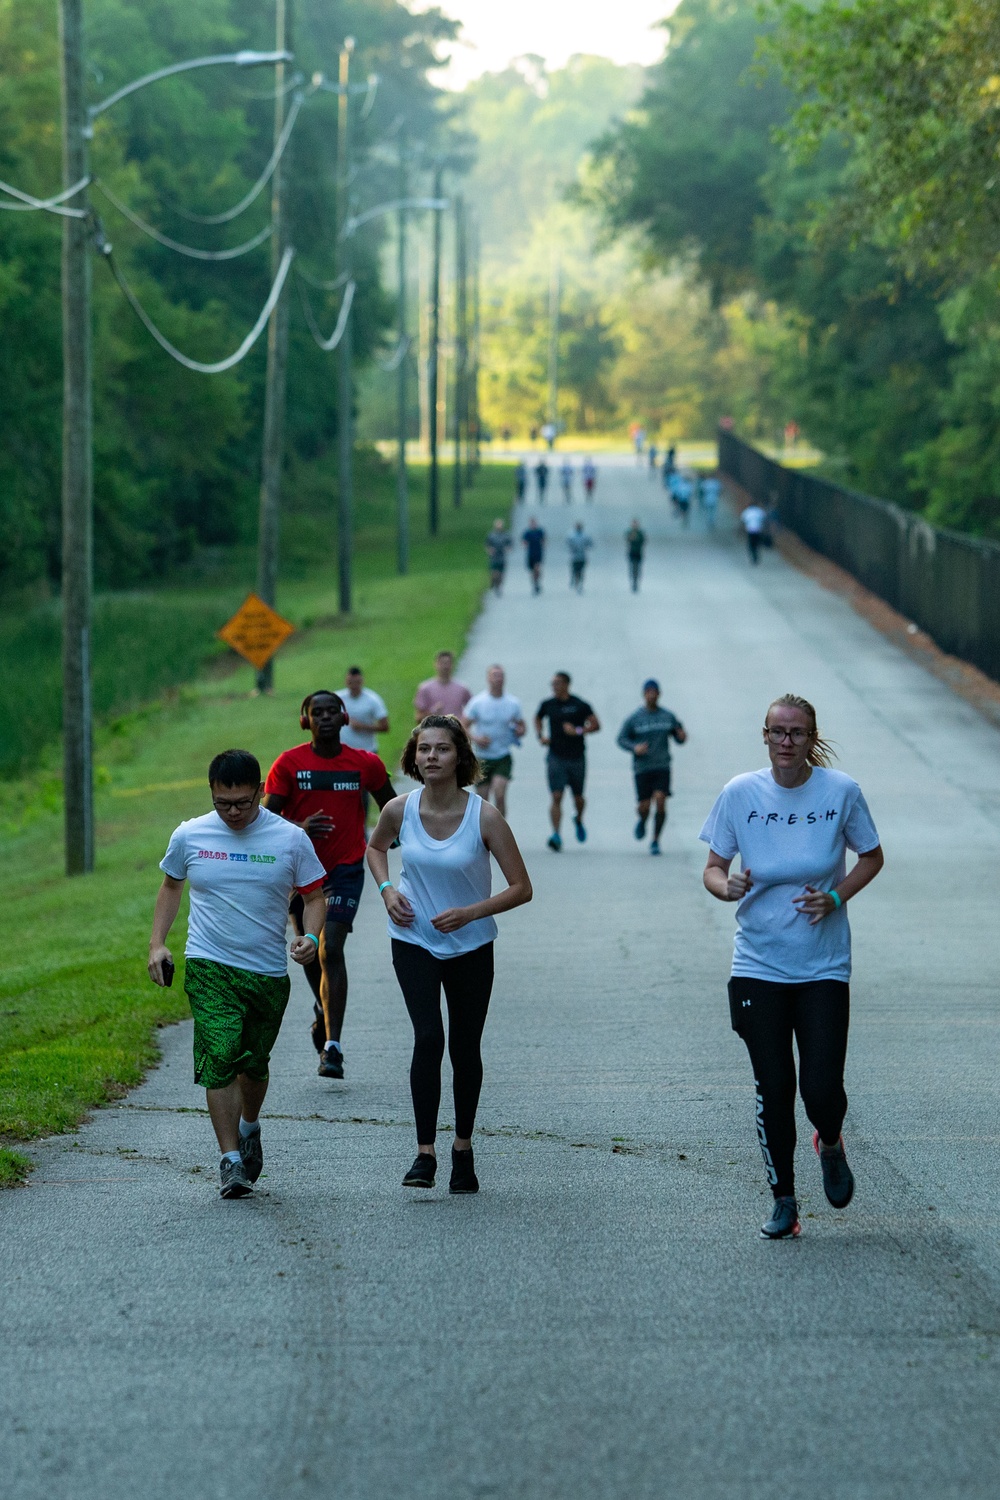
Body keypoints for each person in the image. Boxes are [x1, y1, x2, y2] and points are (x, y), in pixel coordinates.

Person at [700, 693, 884, 1241]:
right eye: (778, 732)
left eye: (797, 733)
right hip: (758, 964)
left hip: (823, 965)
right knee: (774, 1085)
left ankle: (829, 1138)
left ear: (811, 738)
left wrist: (837, 896)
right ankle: (784, 1200)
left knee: (821, 1089)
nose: (787, 742)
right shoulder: (739, 793)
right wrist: (725, 886)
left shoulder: (841, 792)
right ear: (764, 735)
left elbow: (871, 856)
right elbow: (713, 868)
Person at [148, 749, 326, 1199]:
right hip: (210, 964)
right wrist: (157, 943)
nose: (233, 812)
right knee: (221, 1055)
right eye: (224, 803)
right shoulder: (190, 834)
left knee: (254, 1062)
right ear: (211, 793)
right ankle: (229, 1160)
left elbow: (314, 896)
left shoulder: (289, 839)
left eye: (243, 803)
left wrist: (313, 937)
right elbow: (171, 886)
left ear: (260, 792)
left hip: (266, 970)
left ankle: (249, 1126)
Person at [366, 716, 532, 1192]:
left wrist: (471, 912)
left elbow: (522, 888)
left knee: (464, 1045)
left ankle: (463, 1147)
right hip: (413, 939)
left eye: (441, 749)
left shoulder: (485, 817)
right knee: (428, 1037)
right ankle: (424, 1155)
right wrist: (386, 890)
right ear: (413, 758)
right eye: (423, 750)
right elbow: (375, 850)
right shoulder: (400, 810)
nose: (431, 757)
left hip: (471, 945)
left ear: (460, 757)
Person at [263, 691, 395, 1080]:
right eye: (315, 713)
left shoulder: (364, 764)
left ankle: (332, 1047)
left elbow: (394, 809)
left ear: (345, 717)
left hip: (345, 868)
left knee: (330, 945)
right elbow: (264, 822)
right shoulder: (289, 764)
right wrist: (298, 829)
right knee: (309, 950)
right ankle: (324, 1007)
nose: (324, 717)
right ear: (305, 721)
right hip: (299, 874)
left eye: (330, 711)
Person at [616, 680, 686, 854]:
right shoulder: (634, 718)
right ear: (644, 694)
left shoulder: (667, 716)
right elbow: (621, 739)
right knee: (645, 805)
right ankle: (642, 819)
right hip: (642, 768)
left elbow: (679, 736)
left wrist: (681, 736)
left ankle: (655, 839)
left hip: (662, 766)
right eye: (648, 692)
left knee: (661, 801)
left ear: (659, 694)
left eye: (654, 692)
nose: (651, 695)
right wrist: (634, 748)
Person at [534, 671, 600, 850]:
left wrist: (578, 731)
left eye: (557, 684)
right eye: (552, 684)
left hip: (577, 757)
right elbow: (538, 717)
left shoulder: (579, 705)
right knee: (556, 795)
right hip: (556, 756)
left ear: (566, 685)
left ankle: (578, 818)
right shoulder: (548, 704)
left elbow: (596, 724)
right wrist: (541, 736)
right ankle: (556, 834)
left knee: (578, 797)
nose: (554, 687)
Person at [464, 664, 525, 817]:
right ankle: (483, 833)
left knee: (499, 793)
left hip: (502, 755)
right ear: (488, 678)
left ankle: (501, 831)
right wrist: (476, 738)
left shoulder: (512, 703)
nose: (498, 679)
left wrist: (520, 731)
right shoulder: (478, 702)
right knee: (483, 799)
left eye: (500, 676)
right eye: (495, 675)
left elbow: (521, 725)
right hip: (483, 757)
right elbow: (463, 725)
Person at [339, 665, 389, 754]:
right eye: (350, 682)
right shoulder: (338, 698)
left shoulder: (372, 700)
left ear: (361, 681)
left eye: (356, 682)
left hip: (367, 751)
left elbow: (385, 726)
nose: (353, 686)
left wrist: (362, 727)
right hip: (344, 752)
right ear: (346, 682)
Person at [414, 650, 472, 722]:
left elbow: (473, 712)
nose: (445, 666)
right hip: (433, 730)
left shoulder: (462, 689)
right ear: (436, 664)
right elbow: (418, 718)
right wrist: (432, 712)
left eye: (448, 663)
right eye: (442, 663)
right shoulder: (425, 688)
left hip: (455, 731)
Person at [485, 518, 512, 594]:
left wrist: (507, 549)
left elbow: (509, 544)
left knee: (501, 574)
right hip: (494, 557)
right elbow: (487, 545)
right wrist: (490, 550)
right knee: (494, 573)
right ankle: (493, 582)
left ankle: (498, 587)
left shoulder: (506, 535)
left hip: (502, 557)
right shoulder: (491, 535)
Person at [566, 521, 593, 593]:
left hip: (582, 556)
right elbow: (567, 544)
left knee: (581, 571)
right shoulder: (571, 536)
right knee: (576, 570)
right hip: (574, 557)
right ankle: (576, 583)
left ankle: (579, 584)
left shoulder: (585, 536)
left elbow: (590, 544)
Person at [521, 516, 546, 594]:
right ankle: (535, 583)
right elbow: (524, 542)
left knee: (537, 568)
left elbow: (544, 540)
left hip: (538, 553)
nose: (533, 525)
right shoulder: (527, 532)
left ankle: (537, 581)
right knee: (532, 571)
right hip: (530, 553)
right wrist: (525, 545)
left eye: (534, 523)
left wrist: (543, 544)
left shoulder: (540, 531)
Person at [625, 519, 646, 593]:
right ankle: (634, 581)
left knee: (637, 568)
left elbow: (643, 541)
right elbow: (627, 539)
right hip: (632, 552)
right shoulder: (629, 532)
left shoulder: (640, 533)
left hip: (638, 552)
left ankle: (636, 581)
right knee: (633, 567)